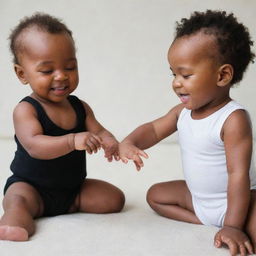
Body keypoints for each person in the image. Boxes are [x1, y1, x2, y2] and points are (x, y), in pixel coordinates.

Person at [119, 10, 256, 255]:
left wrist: (234, 224)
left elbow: (238, 175)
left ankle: (230, 225)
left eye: (186, 74)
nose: (176, 82)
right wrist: (129, 142)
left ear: (222, 75)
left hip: (239, 201)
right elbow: (152, 129)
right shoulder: (182, 112)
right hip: (199, 201)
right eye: (173, 74)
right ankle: (206, 222)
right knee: (155, 196)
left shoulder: (232, 119)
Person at [0, 13, 125, 241]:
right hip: (32, 187)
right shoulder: (26, 110)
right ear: (22, 73)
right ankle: (14, 223)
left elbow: (98, 130)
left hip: (72, 190)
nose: (61, 76)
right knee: (17, 201)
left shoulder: (80, 107)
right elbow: (35, 146)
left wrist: (110, 142)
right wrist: (72, 140)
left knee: (114, 199)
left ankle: (67, 207)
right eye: (47, 71)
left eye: (69, 67)